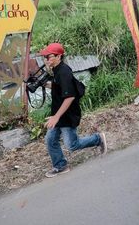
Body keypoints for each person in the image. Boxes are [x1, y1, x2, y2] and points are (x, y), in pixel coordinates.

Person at [40, 42, 107, 178]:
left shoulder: (64, 72)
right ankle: (60, 166)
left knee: (72, 145)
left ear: (59, 57)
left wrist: (56, 117)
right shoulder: (57, 71)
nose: (46, 59)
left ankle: (98, 139)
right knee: (50, 140)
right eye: (45, 57)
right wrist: (42, 84)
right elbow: (58, 87)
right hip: (59, 114)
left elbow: (69, 97)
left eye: (49, 57)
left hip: (67, 114)